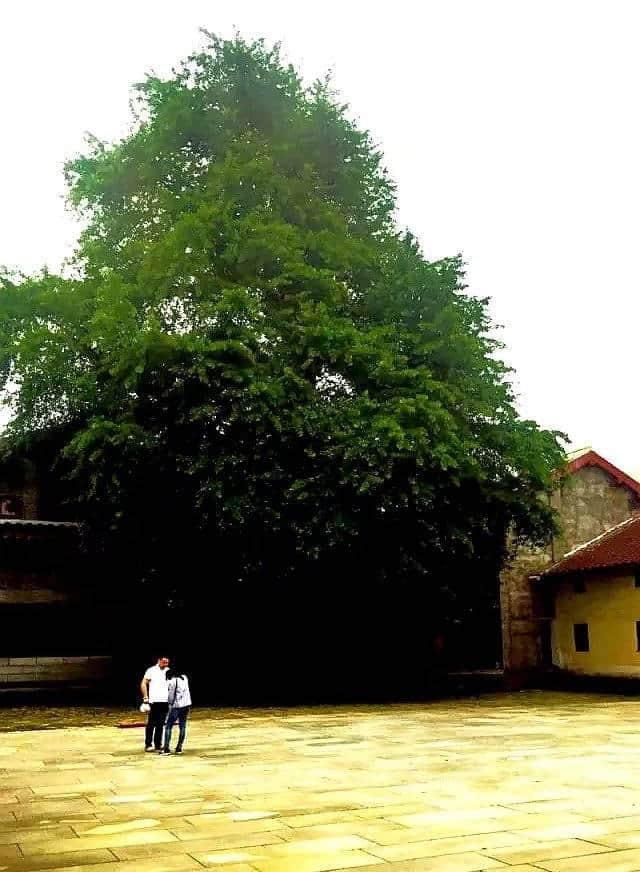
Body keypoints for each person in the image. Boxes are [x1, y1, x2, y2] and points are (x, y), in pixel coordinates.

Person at [140, 655, 170, 752]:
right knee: (151, 724)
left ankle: (158, 744)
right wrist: (145, 697)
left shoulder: (168, 671)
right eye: (164, 662)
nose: (165, 664)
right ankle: (148, 744)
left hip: (165, 701)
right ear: (159, 661)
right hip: (154, 701)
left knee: (161, 724)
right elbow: (143, 683)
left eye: (167, 662)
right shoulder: (151, 670)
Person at [161, 666, 192, 754]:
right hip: (186, 705)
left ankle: (166, 749)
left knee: (168, 726)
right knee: (182, 726)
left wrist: (169, 704)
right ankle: (179, 747)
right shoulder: (184, 678)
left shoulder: (173, 681)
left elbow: (171, 696)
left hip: (176, 706)